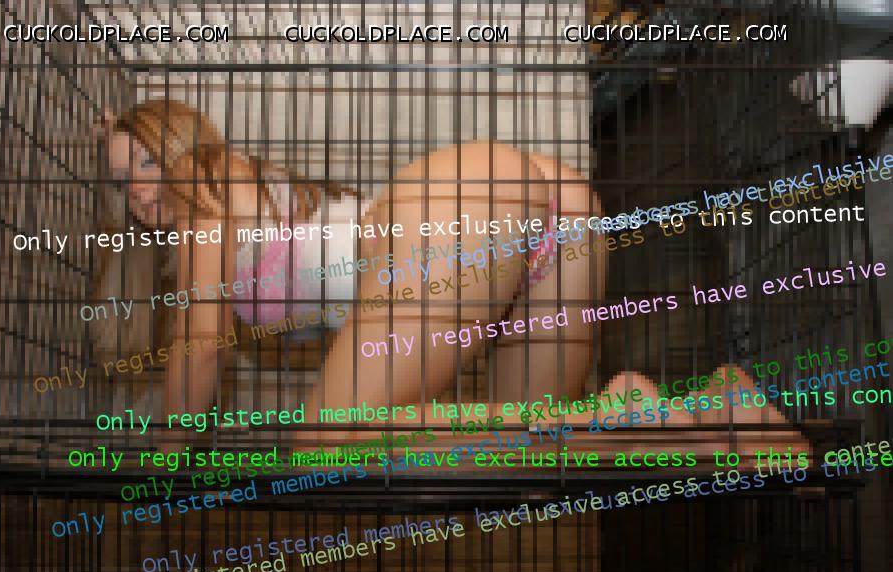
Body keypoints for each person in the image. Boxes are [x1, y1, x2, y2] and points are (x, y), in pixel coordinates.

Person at [97, 98, 606, 434]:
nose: (137, 188)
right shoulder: (244, 192)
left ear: (181, 145)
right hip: (551, 203)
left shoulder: (197, 177)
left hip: (463, 208)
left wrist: (165, 461)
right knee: (533, 450)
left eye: (147, 161)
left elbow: (201, 342)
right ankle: (628, 418)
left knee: (329, 445)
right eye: (121, 180)